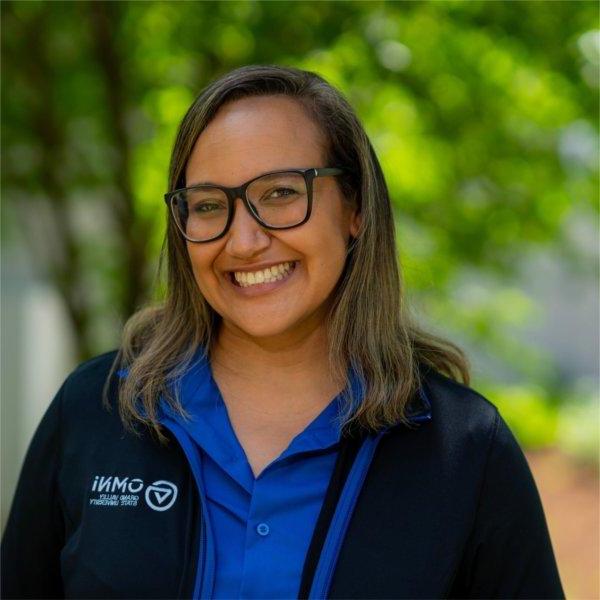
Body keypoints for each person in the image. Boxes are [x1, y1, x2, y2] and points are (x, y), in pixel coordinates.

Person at [1, 64, 564, 600]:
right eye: (207, 205)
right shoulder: (97, 409)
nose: (243, 242)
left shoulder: (463, 450)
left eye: (281, 193)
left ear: (356, 209)